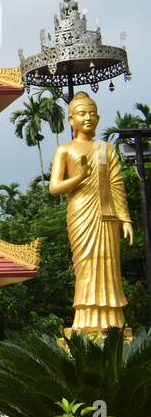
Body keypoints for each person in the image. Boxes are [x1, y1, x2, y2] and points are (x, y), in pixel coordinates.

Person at [48, 92, 134, 332]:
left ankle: (113, 321)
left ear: (98, 118)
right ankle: (84, 320)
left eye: (92, 114)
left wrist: (125, 218)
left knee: (109, 266)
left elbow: (117, 185)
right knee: (85, 265)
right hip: (81, 213)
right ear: (71, 119)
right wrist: (79, 176)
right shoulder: (65, 150)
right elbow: (54, 187)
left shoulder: (106, 149)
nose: (88, 118)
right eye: (82, 113)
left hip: (107, 215)